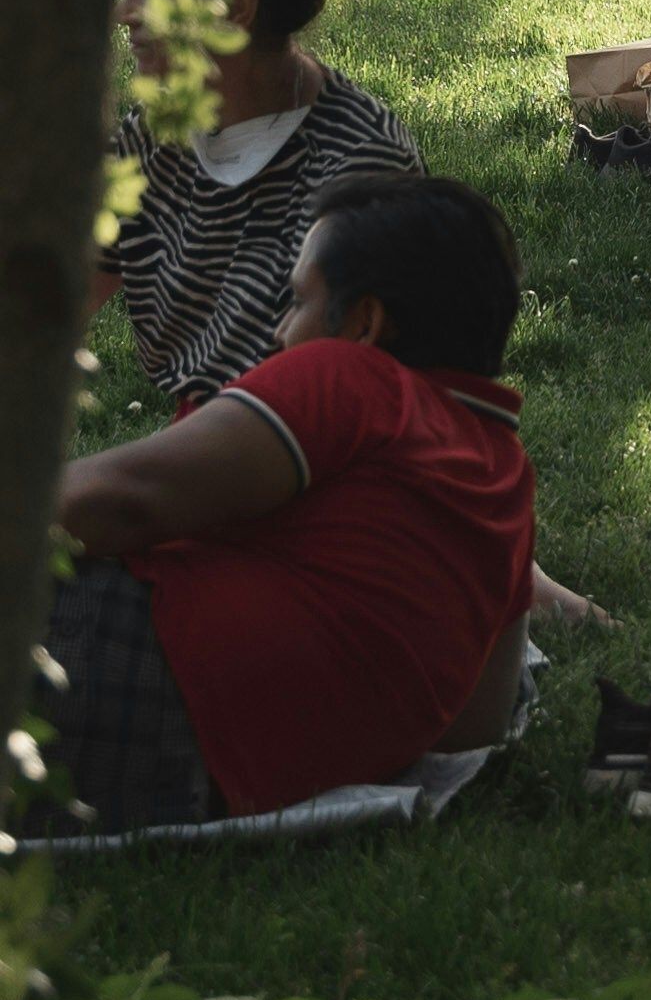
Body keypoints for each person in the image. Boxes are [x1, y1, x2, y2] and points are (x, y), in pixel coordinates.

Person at [34, 172, 535, 831]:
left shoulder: (353, 377)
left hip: (121, 666)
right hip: (190, 782)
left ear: (363, 323)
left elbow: (119, 501)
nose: (277, 333)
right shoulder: (504, 477)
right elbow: (474, 728)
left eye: (297, 302)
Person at [99, 0, 416, 409]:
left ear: (235, 7)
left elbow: (333, 401)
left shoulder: (360, 164)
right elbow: (44, 301)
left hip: (316, 447)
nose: (124, 13)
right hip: (212, 444)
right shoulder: (155, 135)